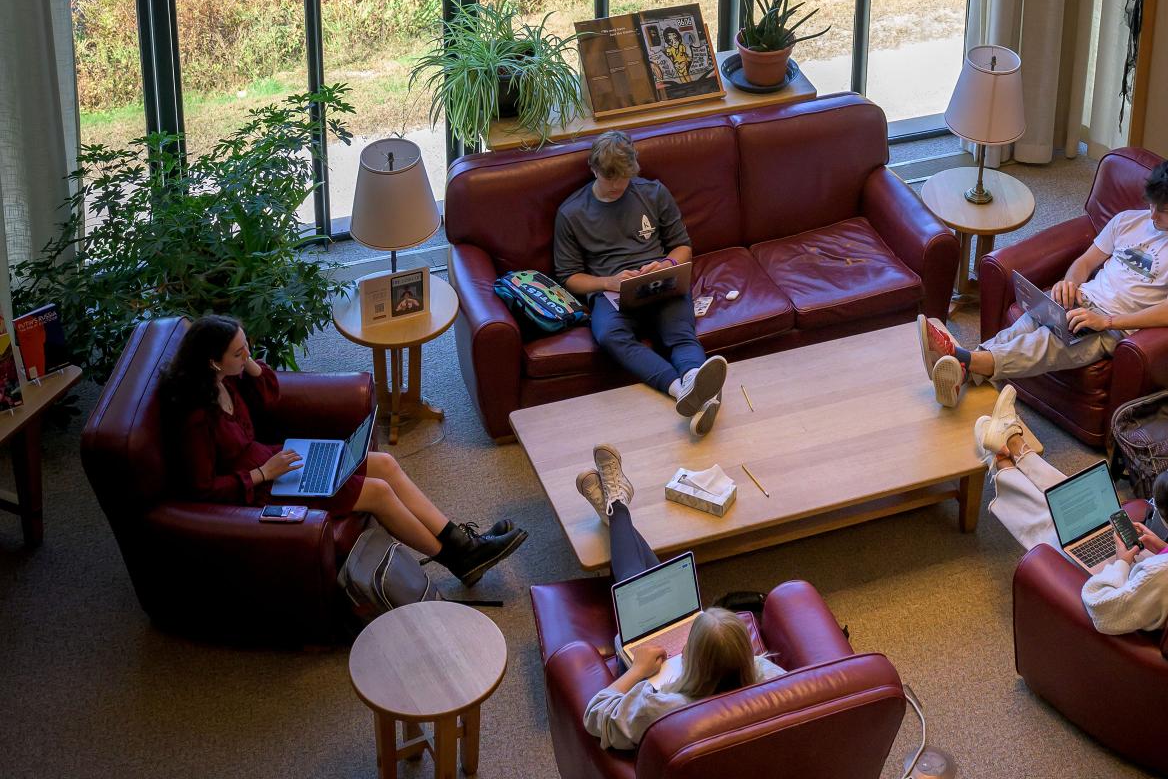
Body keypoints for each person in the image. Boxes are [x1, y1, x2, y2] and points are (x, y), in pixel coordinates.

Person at [159, 315, 526, 586]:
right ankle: (457, 559)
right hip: (260, 490)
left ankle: (463, 543)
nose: (248, 356)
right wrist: (261, 474)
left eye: (247, 347)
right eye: (239, 353)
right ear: (212, 361)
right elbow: (201, 489)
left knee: (382, 463)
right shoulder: (194, 417)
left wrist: (249, 363)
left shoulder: (227, 378)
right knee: (379, 493)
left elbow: (270, 398)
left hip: (277, 462)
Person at [916, 159, 1168, 407]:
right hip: (1082, 300)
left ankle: (960, 358)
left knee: (1046, 344)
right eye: (1152, 205)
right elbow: (1084, 263)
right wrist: (1069, 285)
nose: (1153, 216)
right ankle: (961, 372)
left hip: (1112, 324)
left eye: (1164, 210)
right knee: (1024, 326)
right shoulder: (1128, 220)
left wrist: (1107, 322)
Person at [973, 387, 1168, 634]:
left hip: (1125, 582)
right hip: (1155, 568)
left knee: (1049, 524)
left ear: (1167, 519)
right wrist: (1161, 545)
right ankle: (1016, 447)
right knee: (1072, 502)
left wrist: (1121, 562)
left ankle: (999, 461)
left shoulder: (1157, 576)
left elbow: (1102, 609)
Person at [574, 445, 786, 750]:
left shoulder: (661, 709)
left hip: (653, 694)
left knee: (632, 582)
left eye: (689, 645)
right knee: (640, 577)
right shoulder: (771, 679)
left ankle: (618, 508)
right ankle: (617, 510)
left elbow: (596, 715)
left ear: (688, 660)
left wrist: (637, 671)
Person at [554, 131, 728, 436]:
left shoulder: (653, 192)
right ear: (594, 170)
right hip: (611, 293)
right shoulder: (571, 213)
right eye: (612, 181)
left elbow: (682, 247)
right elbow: (569, 278)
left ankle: (693, 379)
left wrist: (665, 265)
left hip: (659, 282)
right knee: (609, 335)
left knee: (680, 333)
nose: (620, 186)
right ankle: (682, 390)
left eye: (625, 179)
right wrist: (609, 281)